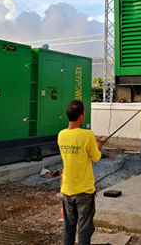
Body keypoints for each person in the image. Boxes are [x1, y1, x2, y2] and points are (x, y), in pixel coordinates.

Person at [58, 100, 105, 245]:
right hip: (84, 191)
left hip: (67, 189)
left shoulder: (61, 135)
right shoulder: (88, 135)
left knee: (69, 227)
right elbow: (95, 157)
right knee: (84, 229)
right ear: (80, 117)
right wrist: (97, 146)